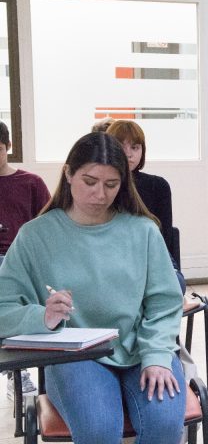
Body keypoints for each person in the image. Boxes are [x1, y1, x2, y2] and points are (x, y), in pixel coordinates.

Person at [0, 132, 185, 443]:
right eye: (90, 181)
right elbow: (3, 306)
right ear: (69, 174)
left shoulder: (142, 230)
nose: (100, 194)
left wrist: (156, 355)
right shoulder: (35, 236)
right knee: (98, 430)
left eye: (111, 185)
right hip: (75, 356)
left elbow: (164, 303)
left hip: (140, 347)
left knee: (165, 424)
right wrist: (41, 317)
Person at [0, 120, 50, 398]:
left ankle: (15, 370)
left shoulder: (30, 183)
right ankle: (13, 371)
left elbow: (49, 228)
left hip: (20, 260)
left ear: (8, 146)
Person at [105, 120, 185, 293]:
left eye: (135, 147)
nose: (129, 154)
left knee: (175, 285)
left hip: (153, 257)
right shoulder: (103, 185)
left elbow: (163, 236)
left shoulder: (158, 185)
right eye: (121, 146)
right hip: (113, 259)